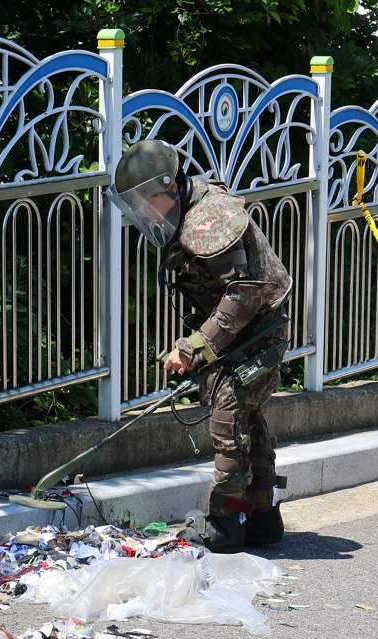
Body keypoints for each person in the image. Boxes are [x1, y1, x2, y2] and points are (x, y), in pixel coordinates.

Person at [110, 139, 291, 553]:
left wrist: (194, 347)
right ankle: (263, 517)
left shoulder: (209, 219)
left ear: (171, 187)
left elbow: (244, 295)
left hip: (257, 332)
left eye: (147, 200)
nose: (146, 211)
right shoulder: (186, 210)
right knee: (247, 421)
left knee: (228, 424)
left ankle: (224, 524)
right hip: (243, 332)